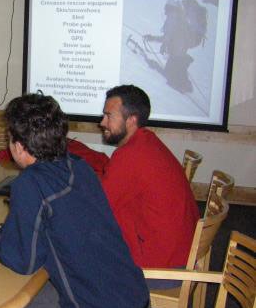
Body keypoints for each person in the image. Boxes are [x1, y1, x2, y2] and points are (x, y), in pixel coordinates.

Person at [0, 93, 150, 308]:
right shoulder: (78, 167)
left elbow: (24, 261)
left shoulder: (29, 184)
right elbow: (53, 226)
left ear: (19, 146)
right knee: (33, 303)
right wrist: (9, 229)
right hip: (135, 304)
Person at [76, 85, 199, 278]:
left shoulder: (131, 155)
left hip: (161, 269)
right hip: (178, 253)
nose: (102, 122)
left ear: (131, 120)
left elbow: (96, 209)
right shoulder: (147, 143)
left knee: (78, 240)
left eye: (109, 116)